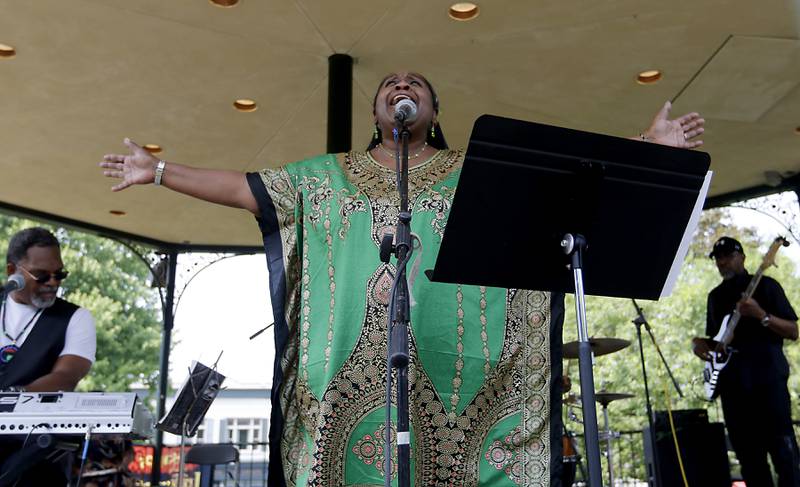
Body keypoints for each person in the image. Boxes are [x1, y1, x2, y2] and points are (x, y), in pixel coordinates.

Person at [101, 71, 704, 486]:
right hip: (348, 384)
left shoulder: (474, 171)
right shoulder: (324, 177)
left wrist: (647, 144)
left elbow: (562, 178)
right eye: (390, 84)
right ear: (376, 112)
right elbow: (245, 188)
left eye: (416, 83)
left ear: (433, 112)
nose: (402, 85)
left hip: (458, 381)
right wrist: (159, 173)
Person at [692, 236, 800, 486]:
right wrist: (698, 344)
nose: (722, 262)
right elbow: (718, 343)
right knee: (750, 461)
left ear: (742, 257)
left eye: (728, 256)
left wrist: (761, 315)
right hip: (733, 388)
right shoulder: (715, 297)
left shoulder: (767, 286)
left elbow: (793, 331)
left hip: (768, 383)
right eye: (718, 258)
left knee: (784, 454)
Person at [0, 227, 97, 486]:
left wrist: (14, 395)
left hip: (37, 451)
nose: (53, 282)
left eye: (59, 274)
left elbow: (66, 376)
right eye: (42, 275)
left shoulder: (76, 318)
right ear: (13, 272)